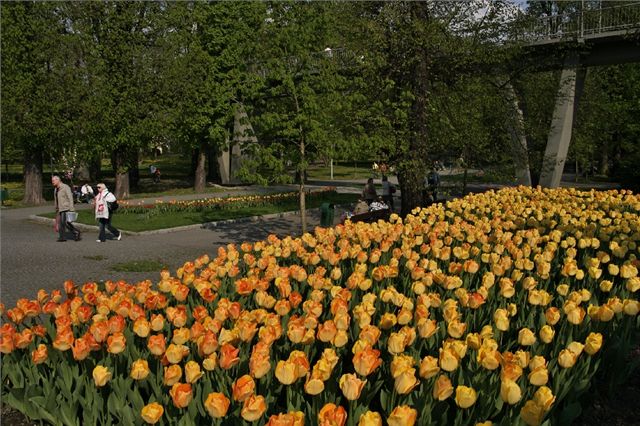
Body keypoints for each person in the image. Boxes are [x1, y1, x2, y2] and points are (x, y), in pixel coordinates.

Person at [52, 175, 81, 242]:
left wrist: (71, 208)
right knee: (63, 223)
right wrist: (56, 207)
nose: (52, 182)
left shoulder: (65, 187)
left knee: (63, 222)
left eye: (53, 180)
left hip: (66, 207)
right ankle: (66, 235)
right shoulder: (56, 189)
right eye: (52, 180)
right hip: (60, 208)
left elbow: (70, 198)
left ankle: (72, 234)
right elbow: (56, 199)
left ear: (58, 180)